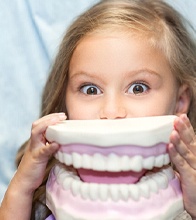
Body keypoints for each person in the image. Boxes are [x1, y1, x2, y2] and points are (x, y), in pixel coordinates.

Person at [0, 0, 196, 219]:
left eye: (138, 88)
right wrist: (22, 187)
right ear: (65, 100)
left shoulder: (190, 200)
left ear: (179, 102)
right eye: (91, 89)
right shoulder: (44, 196)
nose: (111, 112)